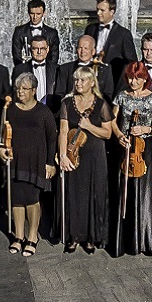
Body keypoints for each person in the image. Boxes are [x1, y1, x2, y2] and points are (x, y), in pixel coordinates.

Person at [0, 73, 57, 256]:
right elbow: (0, 134)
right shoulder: (10, 109)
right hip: (15, 161)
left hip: (36, 162)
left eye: (24, 89)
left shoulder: (43, 112)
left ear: (33, 90)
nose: (20, 92)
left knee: (31, 199)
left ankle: (32, 237)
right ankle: (19, 235)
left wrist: (50, 163)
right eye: (18, 89)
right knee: (16, 199)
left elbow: (52, 137)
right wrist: (0, 150)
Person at [109, 61, 152, 257]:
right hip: (125, 147)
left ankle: (146, 240)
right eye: (131, 78)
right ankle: (123, 242)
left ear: (145, 78)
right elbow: (112, 121)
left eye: (138, 78)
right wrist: (119, 136)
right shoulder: (121, 97)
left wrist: (145, 129)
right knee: (125, 191)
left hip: (145, 149)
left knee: (145, 193)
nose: (134, 82)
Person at [57, 66, 113, 253]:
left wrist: (89, 126)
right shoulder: (67, 103)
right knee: (74, 194)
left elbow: (107, 133)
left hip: (95, 156)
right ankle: (74, 236)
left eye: (82, 80)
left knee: (93, 193)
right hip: (74, 154)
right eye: (76, 80)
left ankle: (91, 237)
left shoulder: (101, 104)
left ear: (91, 83)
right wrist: (63, 155)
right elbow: (63, 131)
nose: (78, 83)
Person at [84, 0, 137, 86]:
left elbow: (131, 61)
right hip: (91, 79)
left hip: (112, 80)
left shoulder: (123, 34)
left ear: (112, 12)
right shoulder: (90, 29)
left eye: (102, 10)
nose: (98, 13)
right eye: (97, 9)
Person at [55, 34, 114, 102]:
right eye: (80, 48)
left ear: (93, 51)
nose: (82, 51)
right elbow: (59, 94)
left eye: (86, 48)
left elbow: (108, 95)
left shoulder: (104, 70)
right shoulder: (65, 69)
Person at [12, 36, 58, 111]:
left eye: (42, 48)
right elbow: (15, 96)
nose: (39, 52)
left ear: (48, 49)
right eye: (35, 48)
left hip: (52, 113)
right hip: (29, 114)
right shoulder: (19, 69)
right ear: (30, 50)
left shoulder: (57, 69)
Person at [11, 0, 60, 66]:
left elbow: (54, 57)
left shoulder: (52, 33)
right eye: (32, 13)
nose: (35, 17)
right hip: (25, 71)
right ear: (28, 13)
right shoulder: (19, 31)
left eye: (38, 14)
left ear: (44, 13)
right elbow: (16, 56)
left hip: (46, 70)